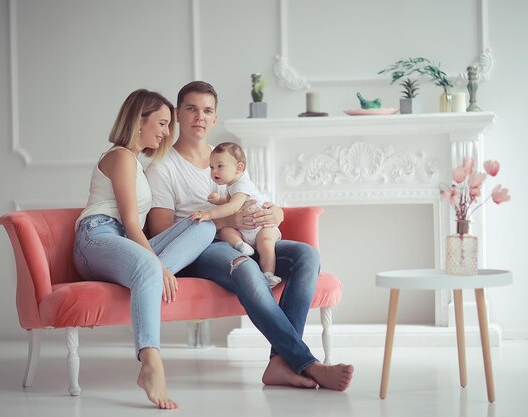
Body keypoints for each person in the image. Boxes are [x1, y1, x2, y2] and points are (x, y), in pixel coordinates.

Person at [145, 81, 354, 391]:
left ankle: (278, 363)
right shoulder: (162, 167)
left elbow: (251, 197)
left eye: (207, 111)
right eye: (191, 109)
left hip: (249, 237)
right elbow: (162, 232)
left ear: (215, 118)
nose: (199, 117)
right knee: (245, 267)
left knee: (307, 256)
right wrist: (226, 220)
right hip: (204, 249)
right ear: (177, 114)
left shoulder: (227, 156)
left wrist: (276, 214)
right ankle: (307, 363)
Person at [72, 89, 216, 409]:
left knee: (204, 224)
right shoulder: (121, 155)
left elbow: (133, 231)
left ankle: (146, 274)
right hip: (96, 238)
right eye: (162, 123)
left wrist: (153, 263)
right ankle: (151, 363)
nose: (167, 132)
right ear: (140, 120)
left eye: (169, 125)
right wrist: (159, 265)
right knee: (151, 265)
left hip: (123, 242)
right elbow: (130, 223)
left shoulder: (136, 162)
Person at [189, 141, 282, 288]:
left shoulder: (242, 184)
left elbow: (233, 207)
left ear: (239, 168)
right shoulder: (232, 184)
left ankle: (268, 274)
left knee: (266, 243)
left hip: (261, 227)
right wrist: (219, 199)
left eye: (220, 166)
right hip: (244, 230)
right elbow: (229, 201)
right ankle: (240, 245)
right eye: (211, 167)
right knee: (225, 231)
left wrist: (208, 214)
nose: (214, 172)